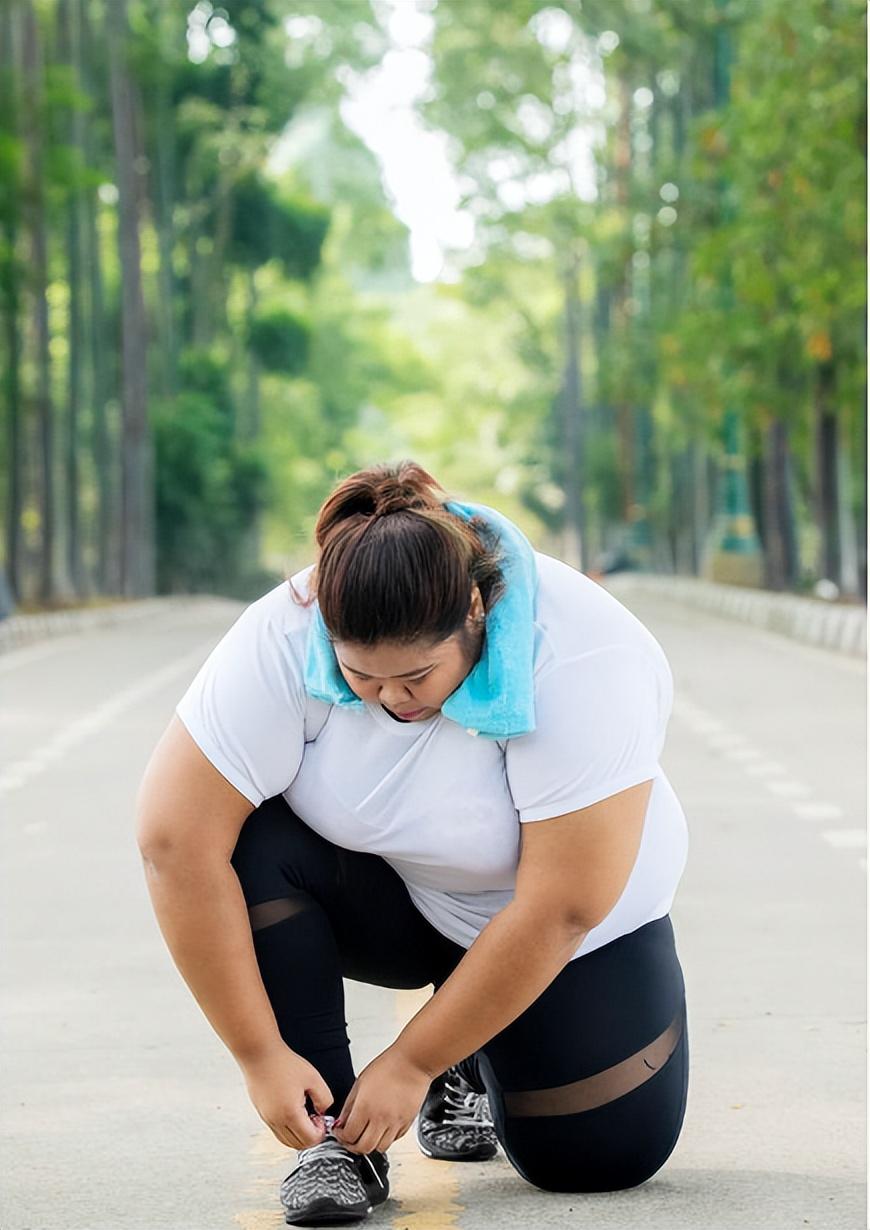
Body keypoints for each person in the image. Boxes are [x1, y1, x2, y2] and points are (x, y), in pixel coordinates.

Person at [135, 459, 690, 1226]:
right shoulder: (285, 628)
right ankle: (336, 1147)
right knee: (241, 838)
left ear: (472, 611)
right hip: (400, 900)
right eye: (361, 677)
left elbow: (562, 906)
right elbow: (173, 842)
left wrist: (413, 1060)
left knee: (598, 1160)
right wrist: (259, 1055)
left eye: (416, 676)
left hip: (565, 930)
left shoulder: (583, 650)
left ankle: (461, 1057)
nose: (391, 698)